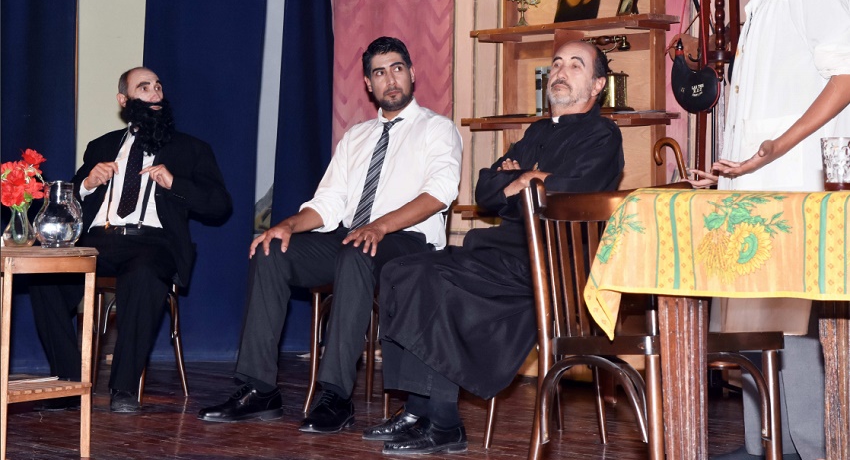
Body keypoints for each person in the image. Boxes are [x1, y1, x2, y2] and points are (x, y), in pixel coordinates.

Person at [362, 39, 624, 455]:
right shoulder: (537, 133)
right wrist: (525, 179)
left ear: (597, 86)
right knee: (401, 271)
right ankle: (417, 409)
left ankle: (445, 423)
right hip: (496, 254)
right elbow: (486, 187)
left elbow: (564, 192)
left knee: (435, 281)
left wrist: (522, 178)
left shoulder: (602, 136)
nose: (560, 71)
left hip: (543, 266)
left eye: (576, 66)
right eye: (556, 63)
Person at [197, 36, 463, 434]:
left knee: (357, 250)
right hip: (353, 237)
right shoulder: (355, 138)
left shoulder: (437, 130)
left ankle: (335, 396)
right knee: (272, 251)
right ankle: (259, 390)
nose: (390, 79)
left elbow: (440, 193)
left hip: (408, 243)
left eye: (397, 68)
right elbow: (329, 204)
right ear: (368, 85)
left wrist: (380, 225)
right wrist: (286, 225)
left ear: (412, 74)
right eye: (379, 72)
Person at [690, 0, 850, 460]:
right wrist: (730, 169)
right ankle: (766, 446)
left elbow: (846, 76)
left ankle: (809, 448)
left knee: (795, 331)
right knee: (759, 334)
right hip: (757, 189)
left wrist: (778, 148)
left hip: (795, 189)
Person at [29, 67, 232, 413]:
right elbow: (66, 203)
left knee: (143, 274)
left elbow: (220, 207)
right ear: (124, 100)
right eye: (144, 87)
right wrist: (89, 183)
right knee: (43, 274)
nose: (154, 93)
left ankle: (122, 389)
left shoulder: (191, 149)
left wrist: (175, 184)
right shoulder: (101, 146)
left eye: (158, 86)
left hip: (154, 243)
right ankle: (66, 384)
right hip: (100, 241)